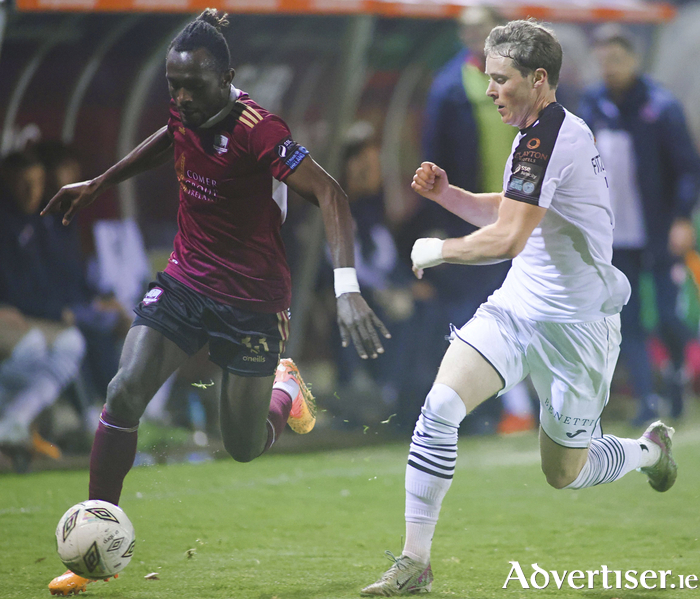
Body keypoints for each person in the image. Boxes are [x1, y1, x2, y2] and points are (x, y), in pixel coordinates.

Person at [43, 10, 389, 596]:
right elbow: (170, 137)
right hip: (185, 280)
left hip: (252, 301)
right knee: (125, 390)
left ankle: (285, 391)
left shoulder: (261, 129)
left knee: (244, 446)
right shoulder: (186, 106)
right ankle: (93, 540)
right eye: (172, 86)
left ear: (227, 77)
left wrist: (347, 288)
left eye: (193, 88)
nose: (180, 99)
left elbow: (330, 193)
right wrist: (100, 182)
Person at [361, 20, 677, 596]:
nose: (489, 90)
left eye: (500, 79)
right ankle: (414, 562)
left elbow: (505, 239)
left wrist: (437, 249)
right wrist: (447, 196)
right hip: (518, 307)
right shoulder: (536, 130)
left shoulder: (551, 137)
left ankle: (646, 451)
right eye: (488, 76)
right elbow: (513, 215)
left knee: (565, 474)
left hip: (579, 329)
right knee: (439, 408)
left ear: (538, 79)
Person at [414, 6, 534, 434]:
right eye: (465, 29)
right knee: (477, 311)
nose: (472, 36)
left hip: (527, 215)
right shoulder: (449, 86)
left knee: (525, 311)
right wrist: (437, 218)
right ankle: (485, 409)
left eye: (480, 28)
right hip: (472, 216)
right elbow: (433, 155)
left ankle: (526, 407)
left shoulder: (531, 82)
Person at [578, 25, 700, 424]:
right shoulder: (592, 105)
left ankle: (676, 376)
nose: (610, 68)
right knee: (624, 318)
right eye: (604, 60)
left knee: (667, 315)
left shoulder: (660, 106)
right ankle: (648, 399)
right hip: (613, 234)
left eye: (617, 59)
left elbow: (687, 168)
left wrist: (682, 217)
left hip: (657, 229)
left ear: (634, 59)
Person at [0, 151, 86, 465]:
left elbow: (54, 278)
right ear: (7, 180)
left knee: (72, 342)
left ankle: (14, 421)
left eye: (36, 183)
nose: (31, 190)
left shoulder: (40, 222)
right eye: (23, 183)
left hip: (30, 315)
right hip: (10, 314)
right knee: (32, 347)